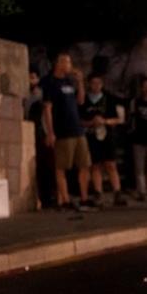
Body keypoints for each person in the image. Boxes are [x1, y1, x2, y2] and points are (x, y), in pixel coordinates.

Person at [41, 53, 96, 211]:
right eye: (67, 62)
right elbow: (47, 109)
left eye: (70, 62)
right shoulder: (51, 83)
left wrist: (80, 82)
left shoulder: (69, 82)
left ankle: (84, 198)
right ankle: (64, 200)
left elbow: (80, 101)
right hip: (63, 131)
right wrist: (50, 132)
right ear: (59, 64)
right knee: (62, 167)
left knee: (85, 165)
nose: (70, 65)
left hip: (77, 129)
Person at [80, 73, 126, 207]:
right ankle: (98, 193)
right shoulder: (84, 100)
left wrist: (104, 121)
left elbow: (118, 119)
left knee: (111, 164)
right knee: (95, 165)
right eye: (93, 83)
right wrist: (91, 122)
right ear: (89, 84)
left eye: (98, 83)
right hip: (91, 135)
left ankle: (117, 192)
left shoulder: (109, 99)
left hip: (107, 135)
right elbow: (80, 120)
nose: (96, 86)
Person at [25, 68, 57, 209]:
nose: (31, 80)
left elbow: (46, 114)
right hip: (32, 135)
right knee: (39, 169)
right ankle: (44, 198)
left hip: (43, 133)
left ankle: (51, 197)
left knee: (49, 167)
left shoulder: (42, 94)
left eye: (33, 77)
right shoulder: (26, 96)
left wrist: (49, 133)